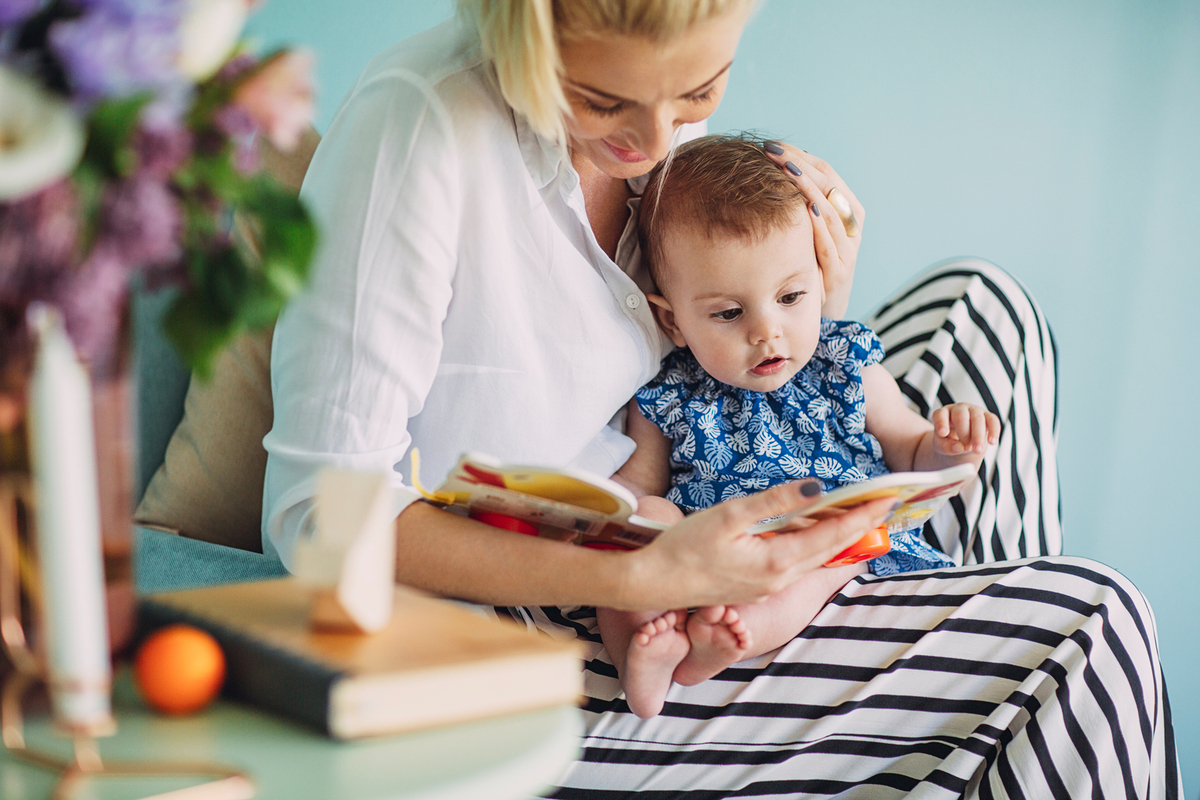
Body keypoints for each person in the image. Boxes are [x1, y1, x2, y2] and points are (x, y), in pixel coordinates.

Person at [261, 0, 1181, 795]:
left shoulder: (658, 148)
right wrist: (636, 573)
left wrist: (807, 309)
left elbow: (702, 336)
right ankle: (991, 681)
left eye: (700, 91)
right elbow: (317, 519)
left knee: (985, 308)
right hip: (553, 615)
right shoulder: (419, 130)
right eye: (603, 101)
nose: (657, 144)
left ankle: (962, 650)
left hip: (700, 512)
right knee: (1090, 635)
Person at [597, 134, 1001, 719]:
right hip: (708, 550)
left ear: (820, 278)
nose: (769, 332)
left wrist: (950, 447)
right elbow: (639, 483)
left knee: (819, 562)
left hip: (824, 549)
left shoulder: (845, 367)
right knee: (637, 526)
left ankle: (722, 641)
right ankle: (645, 655)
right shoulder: (667, 392)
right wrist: (629, 520)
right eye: (729, 313)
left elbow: (911, 452)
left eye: (791, 296)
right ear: (673, 319)